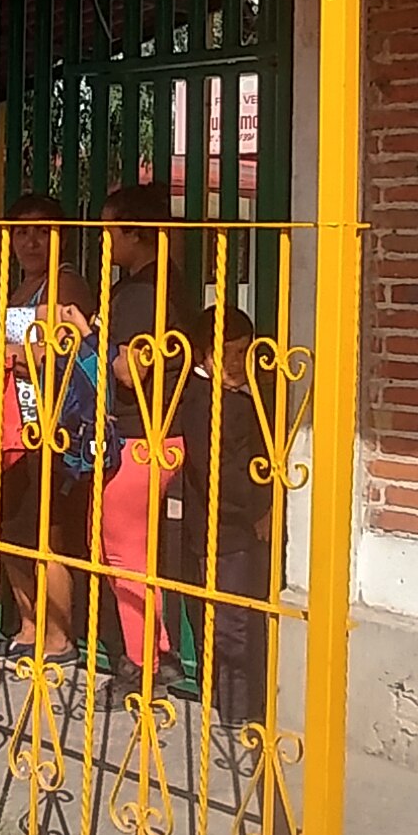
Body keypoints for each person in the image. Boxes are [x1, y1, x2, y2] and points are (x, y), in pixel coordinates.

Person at [95, 183, 197, 681]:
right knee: (132, 547)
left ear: (133, 232)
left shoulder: (140, 292)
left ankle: (142, 664)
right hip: (166, 432)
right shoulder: (170, 282)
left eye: (110, 230)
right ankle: (162, 652)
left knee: (125, 553)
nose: (104, 240)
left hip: (140, 435)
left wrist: (106, 351)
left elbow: (129, 369)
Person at [0, 194, 91, 669]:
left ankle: (58, 636)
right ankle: (28, 624)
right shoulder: (18, 289)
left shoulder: (66, 283)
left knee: (46, 533)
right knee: (11, 531)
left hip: (49, 425)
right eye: (21, 232)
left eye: (40, 231)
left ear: (60, 235)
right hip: (11, 425)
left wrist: (3, 351)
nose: (29, 241)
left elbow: (60, 346)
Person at [178, 304, 281, 725]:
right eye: (227, 354)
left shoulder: (251, 392)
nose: (237, 364)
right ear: (204, 354)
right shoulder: (201, 401)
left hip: (246, 529)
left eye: (244, 353)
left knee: (246, 615)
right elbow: (216, 471)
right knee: (230, 622)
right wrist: (259, 508)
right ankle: (235, 709)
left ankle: (248, 699)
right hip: (224, 529)